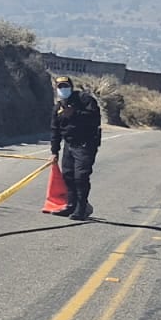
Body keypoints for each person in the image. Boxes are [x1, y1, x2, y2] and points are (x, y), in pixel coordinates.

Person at [50, 75, 102, 219]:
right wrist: (54, 151)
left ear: (71, 87)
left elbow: (95, 118)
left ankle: (82, 208)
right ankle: (71, 205)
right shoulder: (58, 107)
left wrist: (75, 114)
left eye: (65, 86)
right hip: (69, 144)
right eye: (60, 87)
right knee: (68, 176)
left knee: (81, 177)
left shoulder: (85, 100)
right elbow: (55, 131)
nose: (63, 89)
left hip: (85, 144)